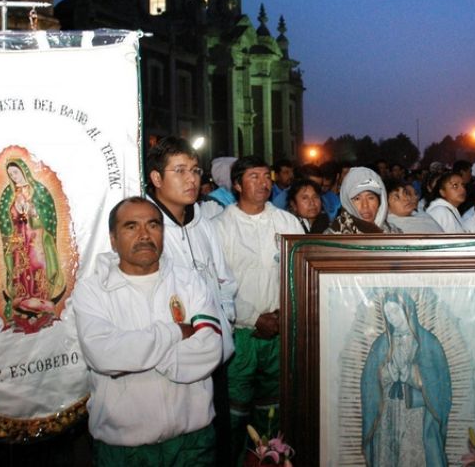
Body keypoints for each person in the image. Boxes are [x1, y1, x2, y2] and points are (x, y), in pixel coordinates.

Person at [73, 197, 223, 465]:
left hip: (193, 443)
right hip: (124, 450)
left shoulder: (189, 280)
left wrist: (137, 355)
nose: (144, 235)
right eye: (131, 226)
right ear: (113, 238)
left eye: (153, 225)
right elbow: (103, 355)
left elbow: (211, 347)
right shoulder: (92, 290)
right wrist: (175, 333)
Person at [145, 136, 237, 464]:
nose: (191, 179)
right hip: (174, 357)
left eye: (195, 170)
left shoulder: (202, 221)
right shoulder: (145, 226)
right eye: (179, 170)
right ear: (156, 178)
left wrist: (226, 320)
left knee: (216, 438)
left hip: (216, 352)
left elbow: (224, 277)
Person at [214, 156, 304, 462]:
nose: (264, 183)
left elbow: (300, 270)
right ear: (237, 184)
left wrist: (283, 313)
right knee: (237, 412)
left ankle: (274, 460)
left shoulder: (286, 221)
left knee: (275, 409)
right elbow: (216, 283)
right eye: (254, 176)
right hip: (242, 334)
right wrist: (254, 318)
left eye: (267, 176)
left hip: (281, 330)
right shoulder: (220, 226)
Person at [361, 291, 452, 467]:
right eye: (388, 314)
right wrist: (388, 373)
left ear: (407, 310)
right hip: (387, 414)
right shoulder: (381, 344)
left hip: (416, 417)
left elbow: (440, 384)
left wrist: (413, 374)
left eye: (395, 311)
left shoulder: (428, 342)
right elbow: (368, 381)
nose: (392, 317)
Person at [0, 158, 64, 332]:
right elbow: (4, 219)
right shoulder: (9, 194)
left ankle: (41, 307)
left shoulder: (38, 190)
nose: (14, 176)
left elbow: (47, 213)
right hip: (19, 238)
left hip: (36, 238)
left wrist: (32, 209)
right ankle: (24, 307)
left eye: (16, 172)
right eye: (11, 174)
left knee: (37, 267)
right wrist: (14, 214)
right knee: (20, 270)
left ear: (24, 171)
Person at [327, 167, 400, 234]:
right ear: (348, 203)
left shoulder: (393, 232)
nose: (365, 205)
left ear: (380, 201)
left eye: (371, 198)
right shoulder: (333, 235)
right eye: (357, 199)